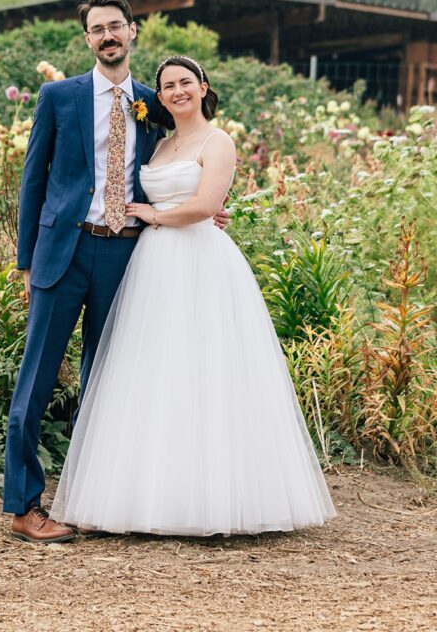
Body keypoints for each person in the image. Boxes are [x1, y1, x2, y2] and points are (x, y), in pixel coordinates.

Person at [50, 56, 336, 536]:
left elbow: (206, 204)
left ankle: (213, 498)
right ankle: (149, 496)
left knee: (206, 371)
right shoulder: (158, 145)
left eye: (186, 82)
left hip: (201, 262)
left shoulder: (217, 140)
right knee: (155, 370)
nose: (178, 91)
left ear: (203, 88)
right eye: (168, 86)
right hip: (153, 264)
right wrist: (154, 216)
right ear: (158, 98)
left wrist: (154, 213)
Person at [3, 0, 231, 542]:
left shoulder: (157, 103)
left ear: (133, 32)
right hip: (65, 252)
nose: (107, 36)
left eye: (115, 27)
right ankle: (24, 507)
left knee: (109, 382)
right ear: (88, 39)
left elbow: (189, 157)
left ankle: (94, 501)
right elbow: (33, 182)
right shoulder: (58, 97)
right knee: (34, 383)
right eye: (96, 29)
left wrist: (202, 211)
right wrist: (27, 262)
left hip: (128, 255)